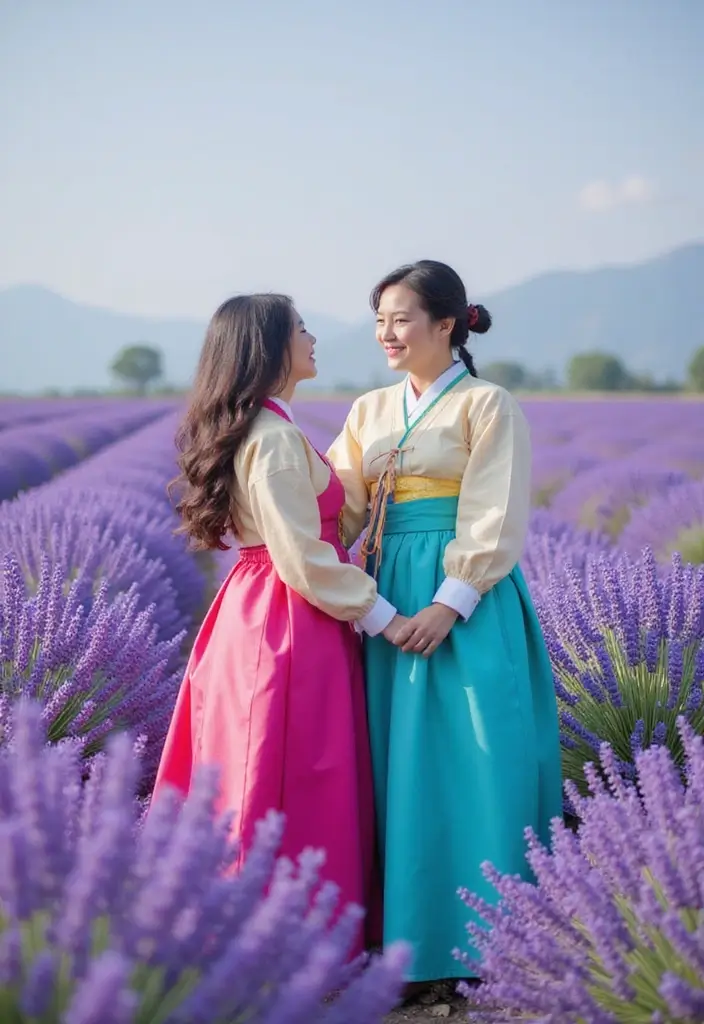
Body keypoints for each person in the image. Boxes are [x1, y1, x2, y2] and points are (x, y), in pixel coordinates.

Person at [327, 260, 563, 987]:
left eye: (401, 319)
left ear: (447, 324)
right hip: (389, 596)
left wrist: (449, 600)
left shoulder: (488, 405)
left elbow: (494, 512)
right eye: (379, 321)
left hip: (465, 595)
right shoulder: (368, 409)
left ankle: (492, 947)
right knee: (396, 763)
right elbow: (340, 505)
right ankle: (405, 944)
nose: (387, 334)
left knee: (477, 754)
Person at [152, 293, 408, 945]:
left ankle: (263, 930)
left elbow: (314, 525)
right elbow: (301, 554)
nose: (313, 338)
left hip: (265, 606)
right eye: (300, 329)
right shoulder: (273, 438)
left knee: (265, 763)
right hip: (287, 616)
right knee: (286, 765)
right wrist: (383, 615)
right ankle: (270, 938)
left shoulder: (269, 429)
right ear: (268, 347)